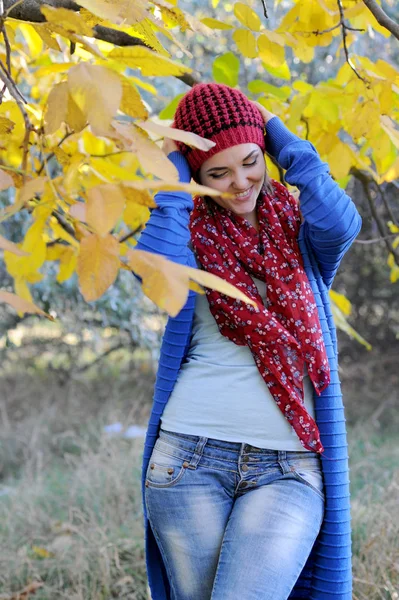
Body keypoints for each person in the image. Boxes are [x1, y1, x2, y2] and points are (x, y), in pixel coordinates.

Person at [136, 83, 361, 600]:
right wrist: (173, 184)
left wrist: (281, 138)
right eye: (218, 172)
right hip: (187, 459)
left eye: (250, 161)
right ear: (196, 173)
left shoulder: (301, 231)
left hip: (290, 466)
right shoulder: (188, 228)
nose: (240, 183)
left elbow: (343, 221)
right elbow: (154, 275)